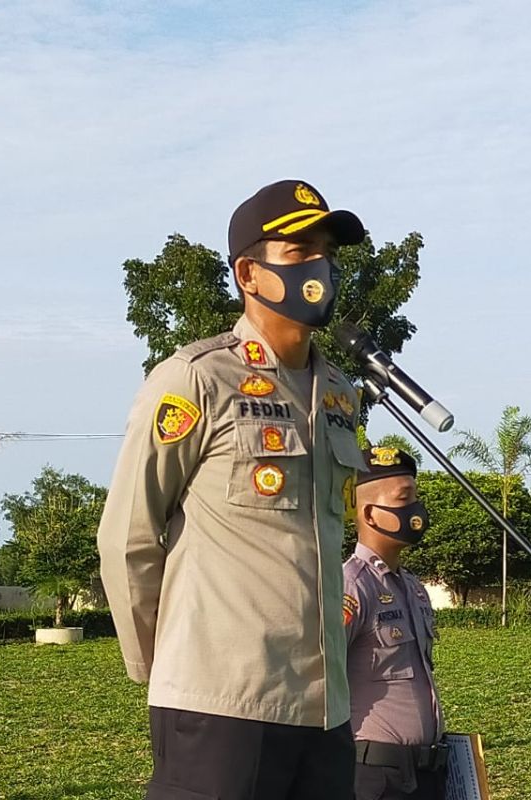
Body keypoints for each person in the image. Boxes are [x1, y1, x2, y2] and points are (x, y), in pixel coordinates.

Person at [98, 179, 369, 800]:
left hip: (324, 709)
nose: (319, 269)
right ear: (249, 272)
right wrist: (160, 665)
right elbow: (128, 536)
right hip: (222, 700)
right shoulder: (195, 379)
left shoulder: (340, 396)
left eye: (326, 253)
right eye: (299, 254)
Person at [343, 446, 447, 800]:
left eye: (416, 497)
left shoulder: (413, 588)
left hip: (427, 773)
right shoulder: (352, 585)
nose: (416, 510)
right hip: (375, 777)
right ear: (371, 513)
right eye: (406, 498)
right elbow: (316, 678)